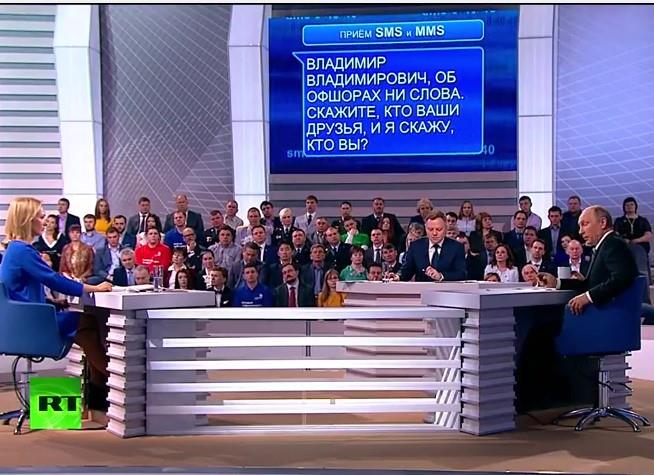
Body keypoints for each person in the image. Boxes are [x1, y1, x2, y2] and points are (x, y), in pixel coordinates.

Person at [0, 197, 112, 413]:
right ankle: (111, 381)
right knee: (87, 324)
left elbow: (19, 292)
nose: (45, 221)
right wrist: (93, 288)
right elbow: (53, 279)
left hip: (20, 321)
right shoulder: (23, 251)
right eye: (40, 216)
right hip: (30, 325)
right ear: (27, 220)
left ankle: (100, 392)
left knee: (85, 326)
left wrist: (52, 301)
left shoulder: (14, 250)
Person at [539, 205, 639, 314]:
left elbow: (622, 277)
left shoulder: (614, 244)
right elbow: (589, 284)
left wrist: (588, 297)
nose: (580, 232)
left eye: (585, 224)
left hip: (610, 313)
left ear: (603, 223)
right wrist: (557, 282)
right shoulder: (604, 246)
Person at [398, 212, 467, 282]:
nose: (434, 233)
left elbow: (461, 273)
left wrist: (441, 276)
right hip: (422, 288)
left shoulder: (456, 247)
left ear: (446, 228)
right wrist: (397, 276)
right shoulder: (416, 246)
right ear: (425, 228)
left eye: (438, 229)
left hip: (446, 288)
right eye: (430, 229)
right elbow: (406, 271)